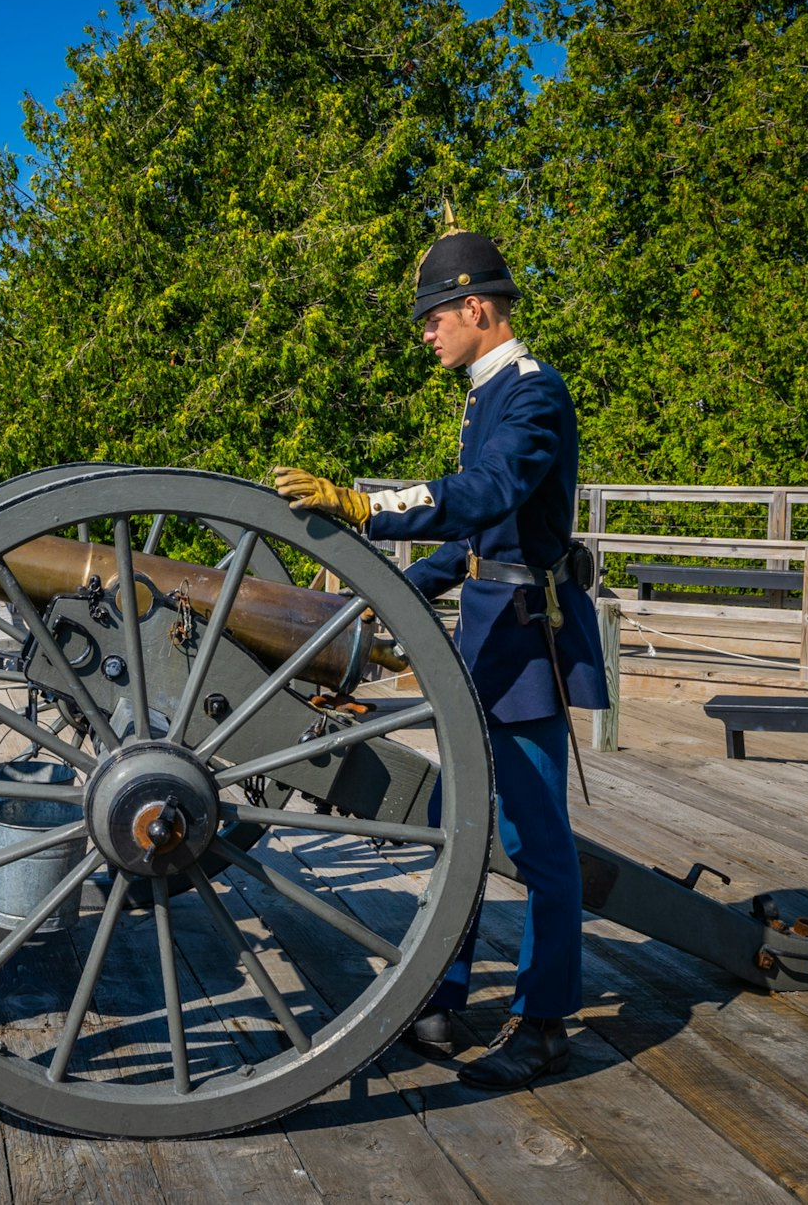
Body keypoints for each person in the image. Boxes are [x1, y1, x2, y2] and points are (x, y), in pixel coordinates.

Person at [275, 225, 608, 1090]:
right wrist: (383, 593)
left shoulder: (533, 394)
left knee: (537, 842)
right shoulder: (487, 394)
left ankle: (543, 1023)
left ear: (476, 308)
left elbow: (489, 496)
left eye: (433, 317)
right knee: (464, 825)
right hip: (486, 634)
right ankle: (441, 998)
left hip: (527, 639)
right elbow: (473, 538)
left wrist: (366, 506)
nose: (425, 332)